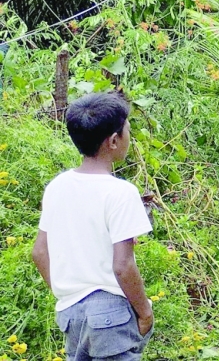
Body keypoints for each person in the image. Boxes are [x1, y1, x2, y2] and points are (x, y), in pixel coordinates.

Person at [32, 93, 155, 361]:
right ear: (113, 141)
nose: (129, 138)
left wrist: (69, 293)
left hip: (70, 312)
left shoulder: (57, 187)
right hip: (111, 313)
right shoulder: (121, 192)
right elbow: (123, 266)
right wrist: (144, 311)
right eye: (127, 132)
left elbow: (39, 252)